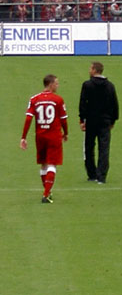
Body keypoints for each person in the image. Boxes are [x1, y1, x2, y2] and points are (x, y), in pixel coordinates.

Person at [20, 74, 69, 203]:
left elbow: (28, 118)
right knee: (52, 164)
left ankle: (47, 191)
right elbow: (64, 119)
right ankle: (46, 194)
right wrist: (66, 132)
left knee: (43, 164)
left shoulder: (34, 99)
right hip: (54, 136)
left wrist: (23, 137)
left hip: (40, 136)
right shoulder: (58, 100)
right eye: (56, 83)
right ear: (51, 84)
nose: (58, 85)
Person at [79, 61, 119, 184]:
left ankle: (91, 174)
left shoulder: (87, 85)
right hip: (105, 121)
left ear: (95, 70)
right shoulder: (110, 86)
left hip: (91, 121)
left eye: (90, 68)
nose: (89, 70)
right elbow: (115, 104)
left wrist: (82, 119)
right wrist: (113, 120)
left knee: (89, 147)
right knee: (104, 148)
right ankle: (101, 176)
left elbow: (82, 104)